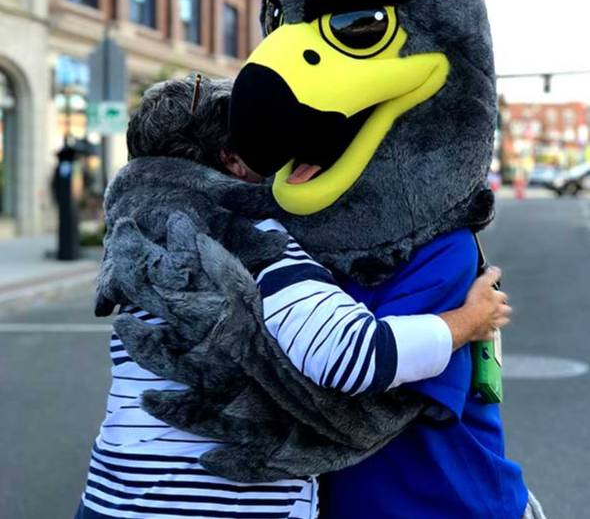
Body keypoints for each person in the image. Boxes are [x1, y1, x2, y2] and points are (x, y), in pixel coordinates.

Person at [75, 76, 510, 519]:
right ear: (234, 159)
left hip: (111, 496)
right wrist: (469, 321)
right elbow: (354, 356)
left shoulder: (138, 234)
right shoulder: (247, 239)